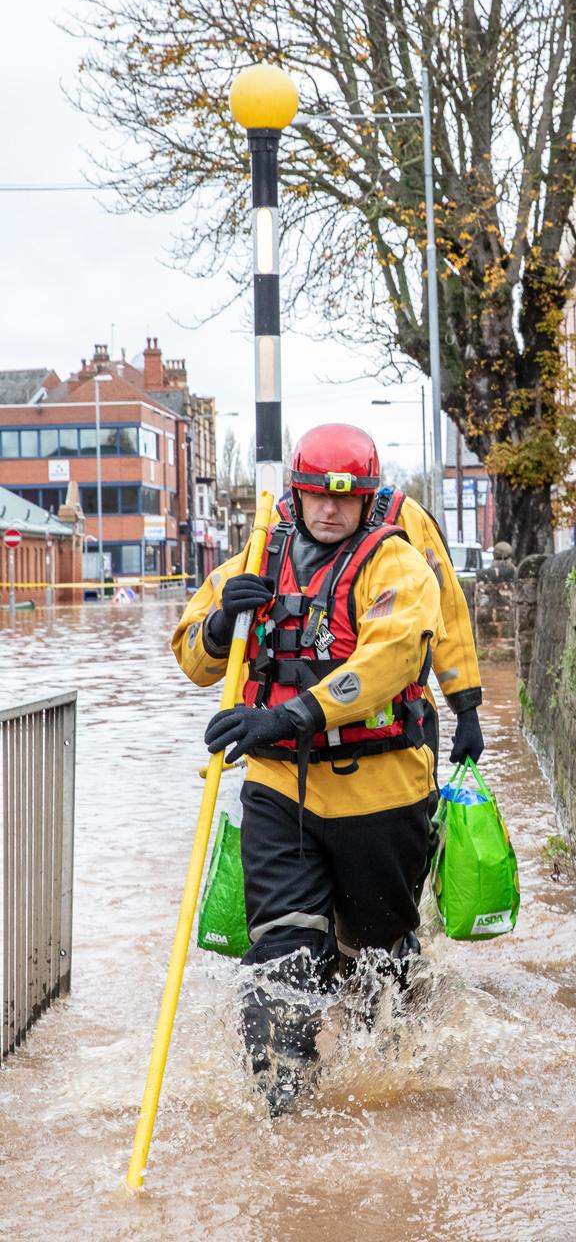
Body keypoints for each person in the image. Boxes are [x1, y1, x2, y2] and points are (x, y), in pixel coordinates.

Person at [171, 423, 447, 1113]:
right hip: (279, 792)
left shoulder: (396, 566)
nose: (330, 510)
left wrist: (291, 717)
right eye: (317, 496)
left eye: (346, 500)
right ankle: (282, 1102)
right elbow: (193, 660)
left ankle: (393, 1077)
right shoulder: (258, 557)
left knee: (379, 965)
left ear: (368, 501)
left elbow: (386, 662)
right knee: (282, 962)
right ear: (295, 495)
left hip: (381, 797)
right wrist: (215, 627)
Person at [277, 476, 486, 769]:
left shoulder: (406, 517)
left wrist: (466, 710)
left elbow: (447, 613)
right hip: (295, 736)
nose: (329, 509)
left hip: (401, 725)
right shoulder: (278, 528)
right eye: (316, 494)